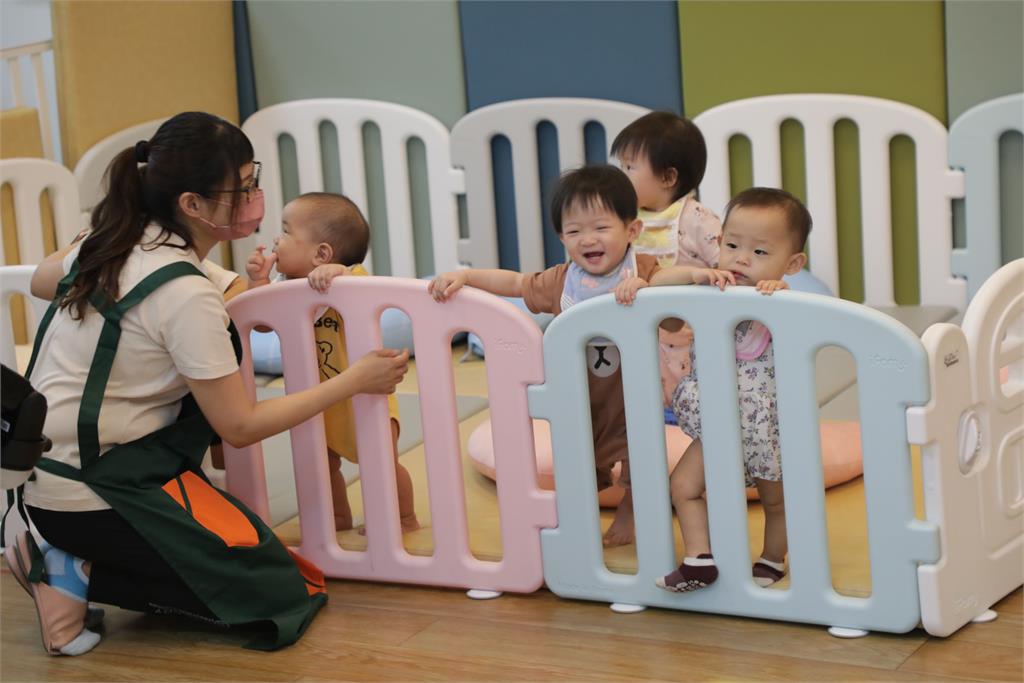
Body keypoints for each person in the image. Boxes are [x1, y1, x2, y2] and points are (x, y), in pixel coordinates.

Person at [6, 112, 409, 656]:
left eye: (253, 180)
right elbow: (239, 426)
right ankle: (70, 570)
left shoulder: (117, 244)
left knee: (266, 560)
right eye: (242, 188)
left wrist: (101, 229)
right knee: (282, 591)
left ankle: (66, 557)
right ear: (192, 205)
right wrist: (354, 380)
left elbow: (39, 279)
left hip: (46, 478)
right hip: (95, 488)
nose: (255, 197)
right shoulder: (186, 295)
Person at [429, 165, 726, 547]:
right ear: (562, 237)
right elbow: (516, 283)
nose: (588, 239)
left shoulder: (645, 271)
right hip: (579, 398)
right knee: (580, 462)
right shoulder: (562, 281)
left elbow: (671, 305)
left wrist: (660, 286)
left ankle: (631, 513)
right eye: (574, 231)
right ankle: (578, 519)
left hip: (633, 396)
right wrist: (467, 277)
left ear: (631, 231)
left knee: (643, 460)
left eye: (601, 228)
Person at [654, 187, 812, 592]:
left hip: (768, 431)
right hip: (719, 426)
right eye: (732, 244)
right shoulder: (708, 293)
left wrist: (779, 300)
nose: (741, 259)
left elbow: (800, 339)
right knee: (682, 487)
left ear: (792, 263)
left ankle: (773, 558)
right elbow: (656, 285)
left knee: (776, 502)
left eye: (760, 253)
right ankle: (699, 558)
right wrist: (693, 275)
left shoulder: (779, 304)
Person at [243, 192, 419, 533]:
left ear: (321, 253)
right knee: (320, 464)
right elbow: (262, 323)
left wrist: (339, 273)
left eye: (285, 231)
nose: (275, 239)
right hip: (315, 402)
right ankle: (338, 516)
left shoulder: (348, 282)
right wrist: (258, 282)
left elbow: (364, 293)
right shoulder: (286, 288)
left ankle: (402, 516)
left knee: (379, 461)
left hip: (365, 399)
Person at [611, 111, 721, 269]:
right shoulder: (625, 218)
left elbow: (725, 266)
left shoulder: (698, 219)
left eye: (629, 167)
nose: (621, 176)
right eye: (621, 166)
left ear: (667, 178)